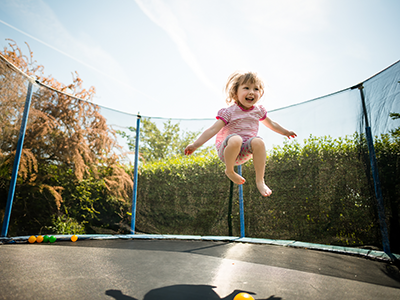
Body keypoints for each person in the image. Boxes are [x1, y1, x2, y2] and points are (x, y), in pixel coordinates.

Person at [184, 71, 297, 197]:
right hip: (226, 150)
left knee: (258, 141)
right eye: (246, 88)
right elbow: (212, 130)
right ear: (235, 93)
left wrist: (285, 132)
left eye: (256, 89)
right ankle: (230, 170)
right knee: (236, 139)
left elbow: (272, 124)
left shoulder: (258, 111)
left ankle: (260, 180)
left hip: (244, 152)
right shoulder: (229, 112)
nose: (251, 92)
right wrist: (195, 145)